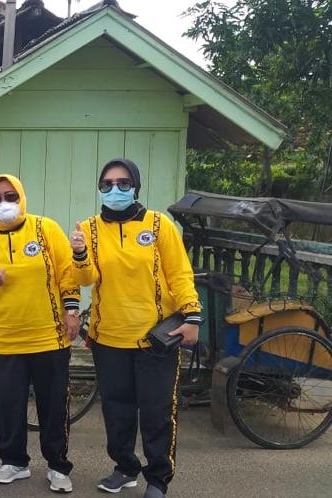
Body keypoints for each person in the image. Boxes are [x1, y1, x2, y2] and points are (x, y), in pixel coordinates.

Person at [69, 159, 201, 498]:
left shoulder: (159, 225)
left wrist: (192, 316)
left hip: (155, 339)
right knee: (117, 410)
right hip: (109, 338)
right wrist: (80, 253)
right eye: (107, 184)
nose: (115, 189)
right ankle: (125, 468)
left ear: (136, 187)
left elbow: (179, 274)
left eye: (123, 183)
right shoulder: (89, 229)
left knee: (158, 411)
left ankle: (158, 479)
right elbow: (86, 278)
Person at [0, 174, 80, 493]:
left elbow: (67, 274)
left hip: (49, 337)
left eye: (10, 196)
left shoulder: (45, 229)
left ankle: (58, 466)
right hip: (2, 340)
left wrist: (71, 311)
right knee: (7, 406)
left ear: (22, 197)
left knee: (53, 406)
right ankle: (14, 462)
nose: (3, 203)